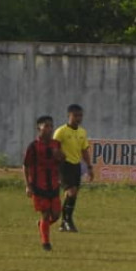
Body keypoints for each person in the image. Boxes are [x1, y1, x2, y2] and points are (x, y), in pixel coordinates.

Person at [24, 115, 64, 252]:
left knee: (57, 215)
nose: (49, 129)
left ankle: (42, 225)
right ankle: (46, 243)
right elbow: (26, 166)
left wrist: (59, 156)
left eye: (51, 126)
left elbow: (61, 161)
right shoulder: (33, 146)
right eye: (46, 126)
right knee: (45, 213)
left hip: (53, 184)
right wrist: (28, 185)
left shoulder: (56, 144)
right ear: (38, 128)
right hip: (38, 185)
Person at [53, 103, 94, 232]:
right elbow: (53, 148)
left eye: (80, 116)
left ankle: (64, 222)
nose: (78, 118)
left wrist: (89, 167)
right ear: (68, 116)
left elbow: (84, 150)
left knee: (72, 195)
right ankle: (67, 221)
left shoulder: (82, 132)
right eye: (75, 115)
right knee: (71, 192)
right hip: (64, 165)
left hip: (76, 165)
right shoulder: (61, 131)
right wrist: (58, 158)